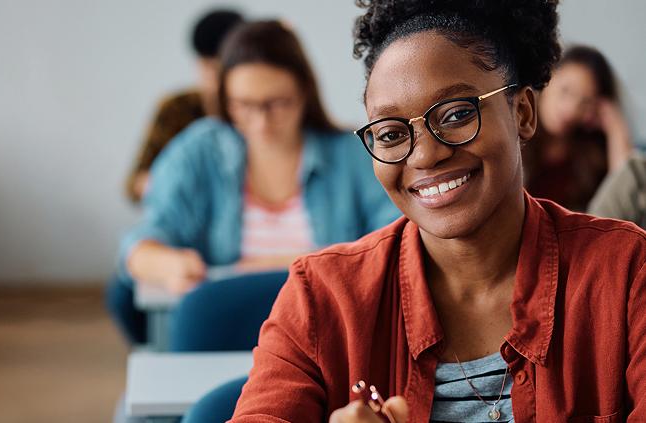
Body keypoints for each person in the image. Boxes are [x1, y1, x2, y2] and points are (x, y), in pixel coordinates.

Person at [229, 0, 646, 421]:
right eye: (391, 133)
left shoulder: (627, 273)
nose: (425, 155)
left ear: (522, 112)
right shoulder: (321, 297)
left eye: (457, 114)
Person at [105, 21, 400, 345]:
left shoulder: (353, 154)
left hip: (332, 340)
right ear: (225, 99)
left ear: (304, 92)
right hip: (225, 340)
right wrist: (167, 263)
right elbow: (142, 240)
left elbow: (397, 242)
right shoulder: (198, 151)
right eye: (244, 105)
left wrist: (262, 266)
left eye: (276, 104)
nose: (260, 122)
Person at [123, 9, 245, 204]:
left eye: (222, 70)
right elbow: (133, 184)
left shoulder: (252, 113)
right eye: (207, 67)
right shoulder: (175, 108)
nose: (214, 82)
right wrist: (169, 183)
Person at [522, 45, 633, 212]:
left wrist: (615, 128)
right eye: (565, 90)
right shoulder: (515, 134)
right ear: (546, 79)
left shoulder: (590, 159)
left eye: (586, 102)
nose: (570, 109)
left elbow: (625, 197)